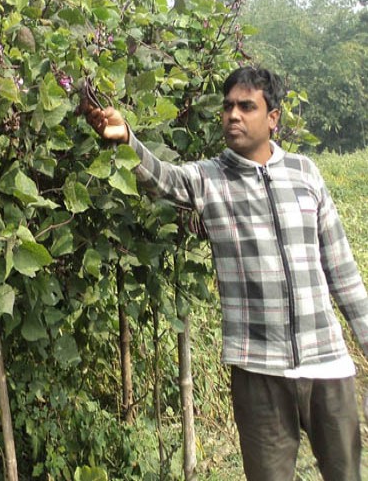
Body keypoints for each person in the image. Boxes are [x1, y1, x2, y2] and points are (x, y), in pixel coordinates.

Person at [85, 66, 368, 480]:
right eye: (229, 106)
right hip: (258, 370)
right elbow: (165, 179)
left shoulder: (306, 174)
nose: (233, 115)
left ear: (273, 118)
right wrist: (127, 137)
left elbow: (341, 269)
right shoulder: (209, 178)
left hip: (327, 365)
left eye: (247, 106)